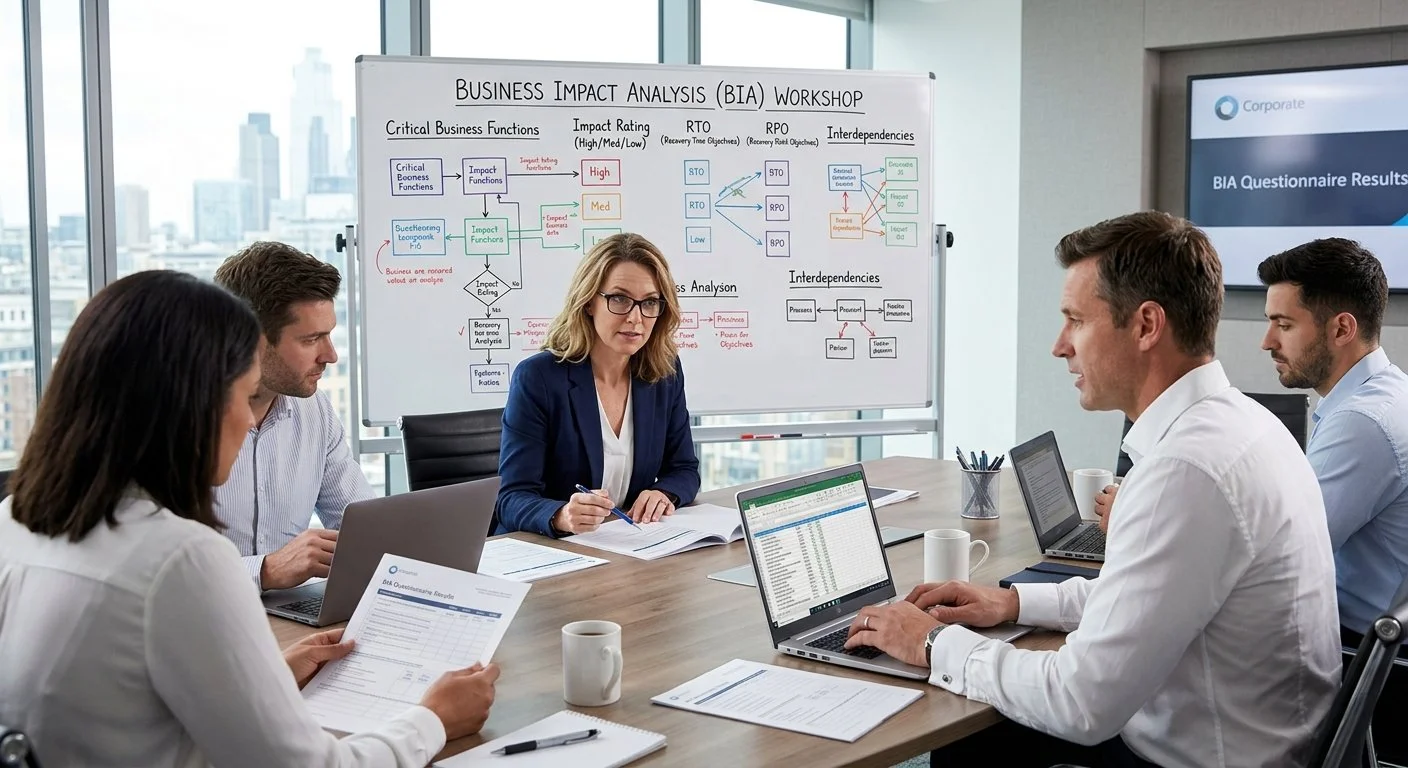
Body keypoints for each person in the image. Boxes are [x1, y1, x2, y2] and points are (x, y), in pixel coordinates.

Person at [843, 212, 1340, 767]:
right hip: (1267, 737)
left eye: (1075, 320)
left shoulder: (1186, 471)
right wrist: (1014, 601)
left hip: (1207, 757)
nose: (1060, 346)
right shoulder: (1244, 424)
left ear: (1147, 325)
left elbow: (1080, 703)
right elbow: (1147, 596)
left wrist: (931, 642)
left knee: (967, 736)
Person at [0, 270, 499, 766]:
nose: (248, 421)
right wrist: (432, 719)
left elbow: (124, 699)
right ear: (185, 407)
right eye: (240, 396)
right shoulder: (180, 559)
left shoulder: (15, 521)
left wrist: (266, 679)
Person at [1258, 238, 1408, 763]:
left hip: (1359, 663)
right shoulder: (1386, 395)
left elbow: (1279, 560)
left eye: (1284, 324)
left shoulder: (1361, 423)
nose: (1266, 341)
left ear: (1342, 328)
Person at [496, 233, 700, 536]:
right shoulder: (538, 378)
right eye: (619, 299)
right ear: (589, 301)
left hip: (625, 546)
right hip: (547, 552)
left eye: (650, 303)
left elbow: (684, 469)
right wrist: (561, 515)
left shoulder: (664, 373)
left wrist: (664, 493)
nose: (635, 318)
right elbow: (511, 498)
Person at [212, 241, 374, 590]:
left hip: (290, 616)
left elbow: (361, 524)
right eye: (311, 339)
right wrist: (266, 570)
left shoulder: (313, 409)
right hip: (201, 621)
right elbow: (152, 572)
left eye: (329, 335)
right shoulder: (168, 422)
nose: (330, 356)